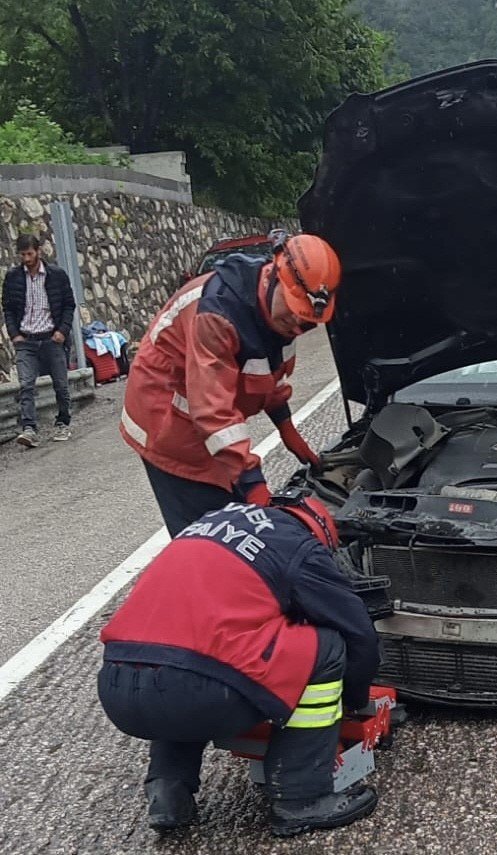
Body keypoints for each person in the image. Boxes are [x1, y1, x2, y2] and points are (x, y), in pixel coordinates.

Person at [97, 497, 381, 837]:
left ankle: (168, 792)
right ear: (320, 533)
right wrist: (353, 697)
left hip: (117, 688)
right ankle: (301, 797)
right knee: (329, 647)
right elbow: (357, 632)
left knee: (187, 654)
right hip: (197, 695)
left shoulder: (206, 526)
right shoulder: (300, 546)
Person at [120, 230, 340, 535]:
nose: (295, 324)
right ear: (272, 277)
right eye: (292, 313)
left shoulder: (285, 318)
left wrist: (286, 427)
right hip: (165, 421)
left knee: (235, 518)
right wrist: (252, 482)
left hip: (204, 414)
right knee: (208, 536)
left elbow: (268, 373)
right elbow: (213, 413)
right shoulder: (218, 314)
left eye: (305, 322)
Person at [1, 234, 77, 446]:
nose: (26, 258)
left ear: (39, 252)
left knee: (60, 385)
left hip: (52, 338)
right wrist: (14, 334)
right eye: (23, 254)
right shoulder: (13, 277)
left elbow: (69, 305)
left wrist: (62, 331)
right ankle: (29, 428)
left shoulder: (56, 275)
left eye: (30, 254)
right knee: (26, 384)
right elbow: (8, 307)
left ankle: (63, 422)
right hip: (26, 340)